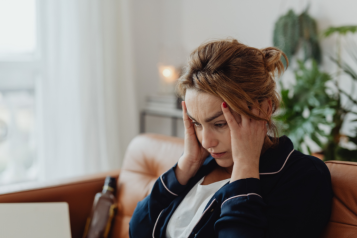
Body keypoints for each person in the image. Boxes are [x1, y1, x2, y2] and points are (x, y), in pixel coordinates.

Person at [129, 38, 332, 238]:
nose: (207, 142)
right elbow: (137, 230)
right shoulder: (200, 165)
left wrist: (245, 167)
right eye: (197, 123)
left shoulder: (303, 176)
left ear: (264, 110)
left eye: (219, 124)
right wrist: (185, 166)